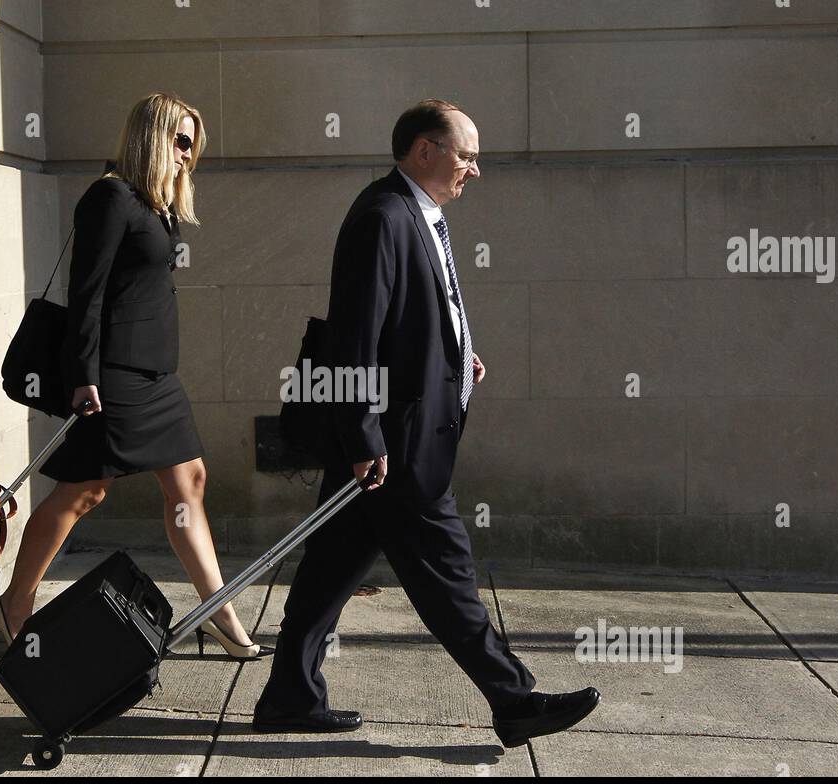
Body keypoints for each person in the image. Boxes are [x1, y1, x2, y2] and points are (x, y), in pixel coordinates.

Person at [252, 99, 600, 747]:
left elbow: (412, 318)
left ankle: (289, 695)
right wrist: (363, 436)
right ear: (424, 151)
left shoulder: (421, 214)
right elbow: (354, 337)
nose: (475, 169)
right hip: (396, 443)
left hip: (396, 433)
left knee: (330, 567)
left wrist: (459, 355)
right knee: (447, 572)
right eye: (465, 154)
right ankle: (514, 698)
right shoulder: (385, 217)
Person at [0, 92, 272, 660]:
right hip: (112, 373)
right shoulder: (110, 196)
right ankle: (14, 604)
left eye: (195, 144)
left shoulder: (156, 203)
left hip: (156, 375)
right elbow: (86, 292)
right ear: (152, 136)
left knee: (189, 481)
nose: (189, 154)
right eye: (181, 140)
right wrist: (82, 374)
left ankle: (218, 611)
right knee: (85, 490)